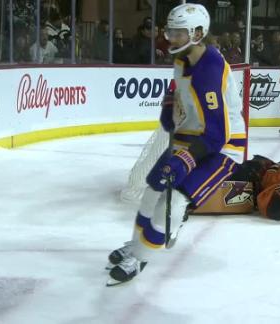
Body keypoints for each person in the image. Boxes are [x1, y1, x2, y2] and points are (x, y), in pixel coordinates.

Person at [106, 3, 247, 286]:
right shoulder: (183, 60)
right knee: (152, 189)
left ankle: (142, 256)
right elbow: (180, 95)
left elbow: (217, 134)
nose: (170, 37)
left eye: (178, 32)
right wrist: (170, 104)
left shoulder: (210, 69)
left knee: (177, 199)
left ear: (197, 33)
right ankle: (136, 245)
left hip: (222, 147)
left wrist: (184, 161)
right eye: (170, 30)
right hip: (191, 139)